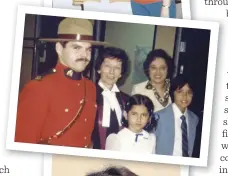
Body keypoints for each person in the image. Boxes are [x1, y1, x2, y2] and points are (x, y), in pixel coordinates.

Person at [14, 17, 108, 147]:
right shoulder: (38, 87)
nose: (84, 55)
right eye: (76, 48)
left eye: (88, 49)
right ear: (59, 48)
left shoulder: (90, 87)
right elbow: (22, 142)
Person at [92, 47, 130, 150]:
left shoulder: (126, 100)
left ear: (121, 73)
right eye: (107, 66)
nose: (112, 72)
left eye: (117, 68)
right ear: (99, 68)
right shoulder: (88, 95)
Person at [155, 75, 199, 157]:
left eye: (189, 92)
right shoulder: (158, 117)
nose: (185, 96)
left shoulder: (194, 119)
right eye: (180, 91)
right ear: (172, 93)